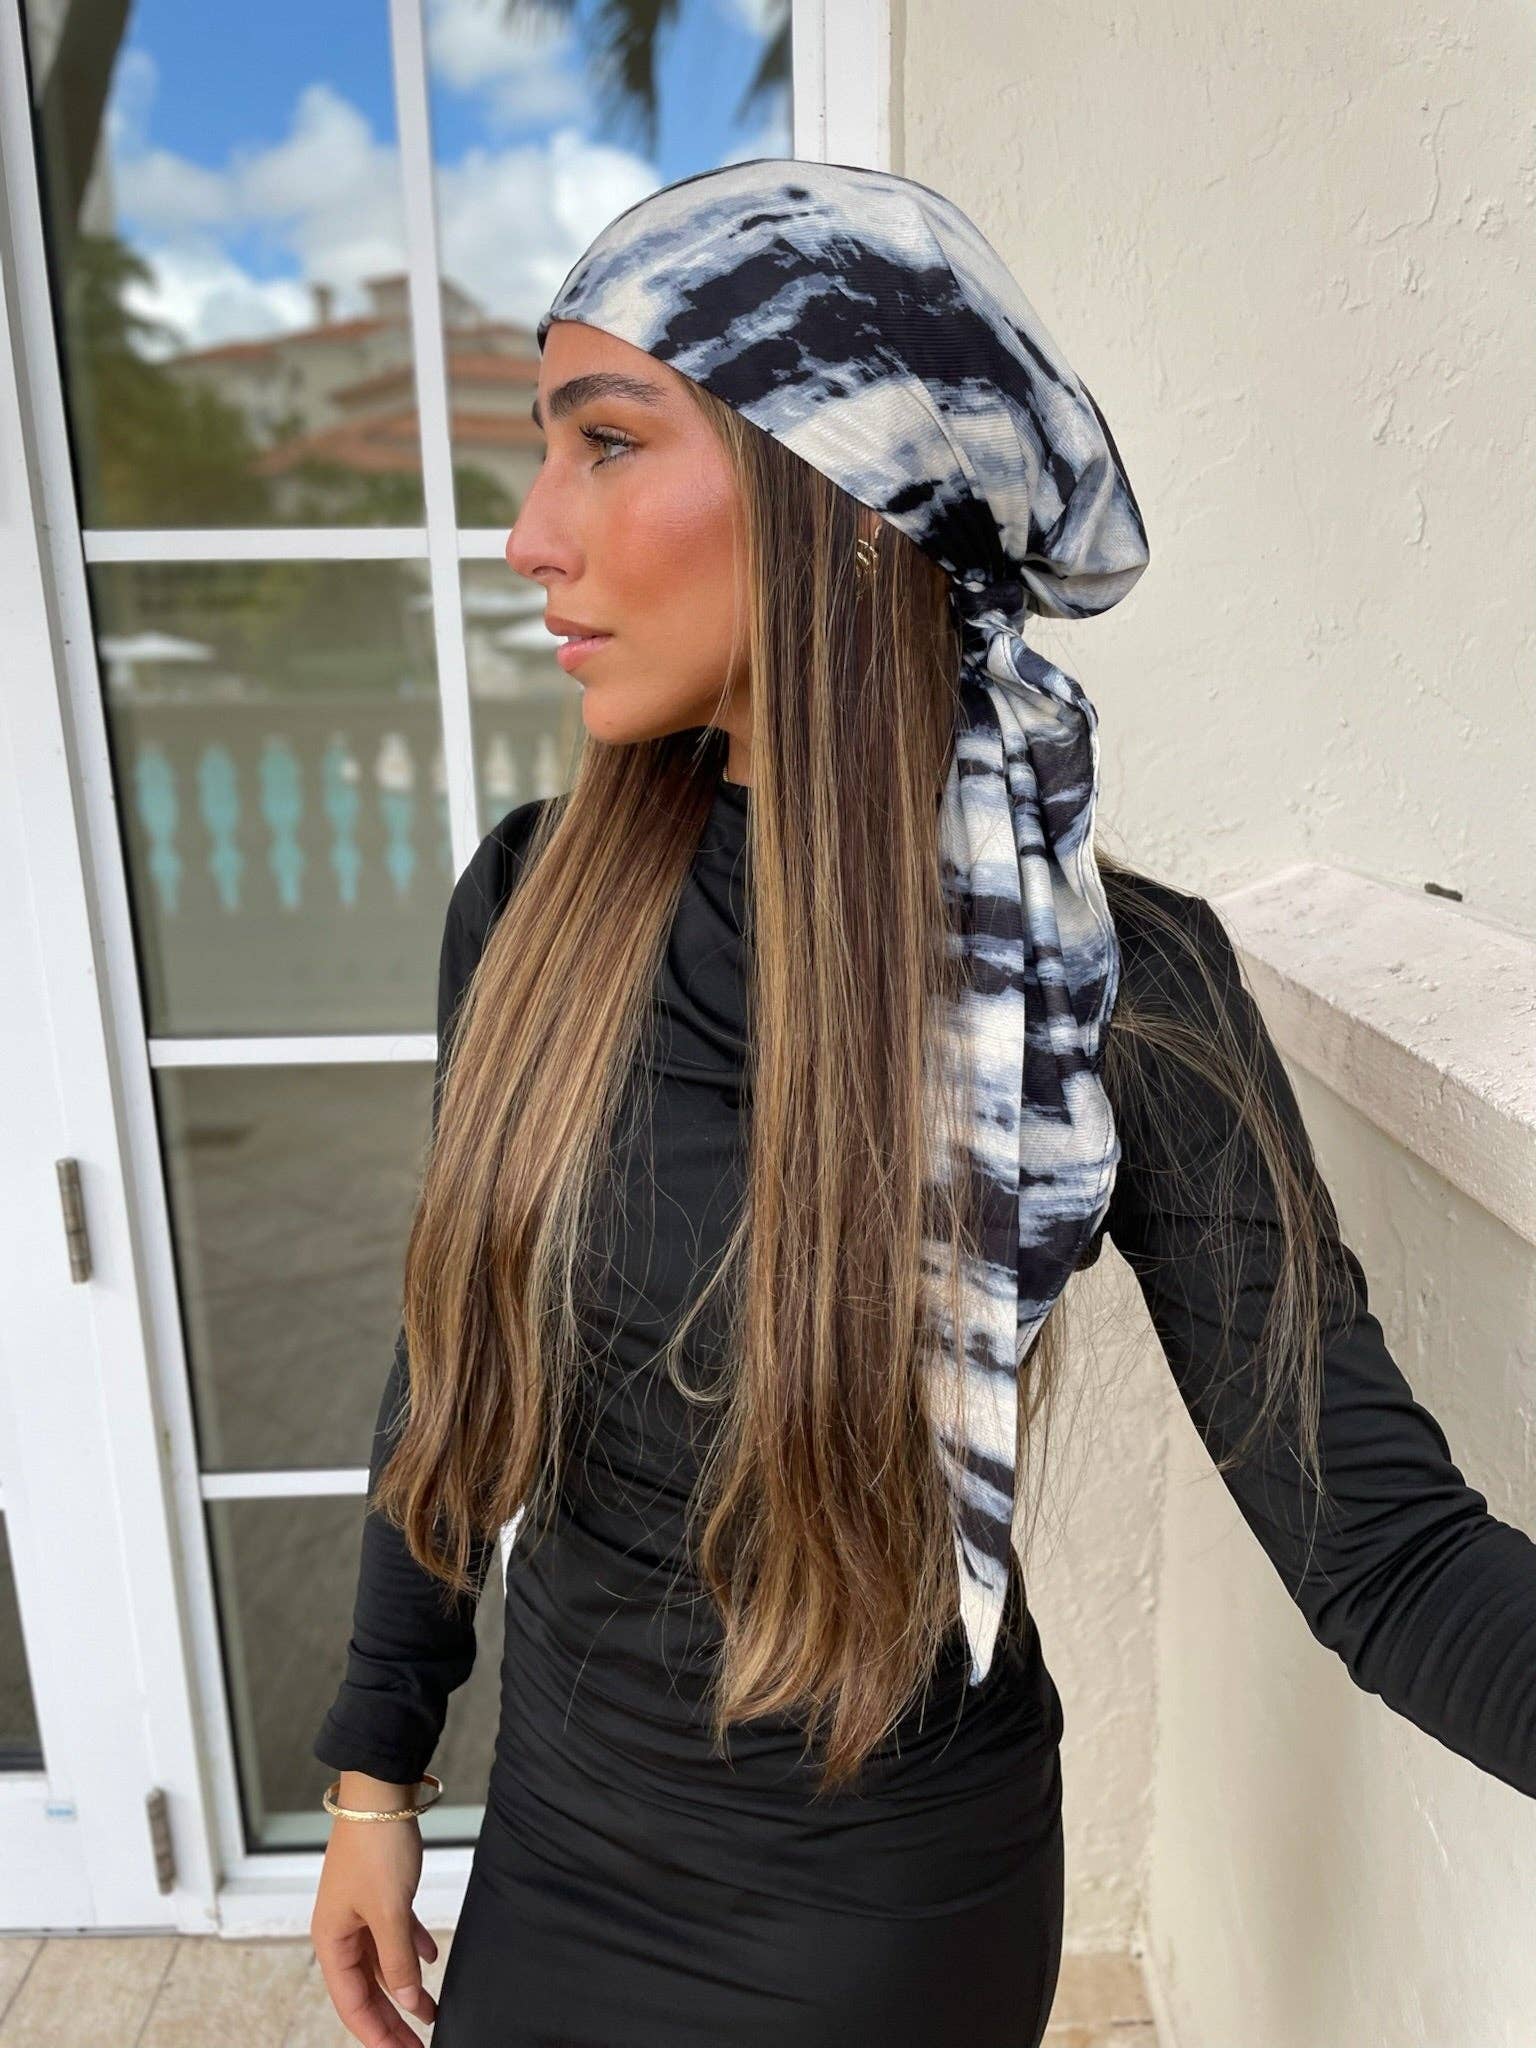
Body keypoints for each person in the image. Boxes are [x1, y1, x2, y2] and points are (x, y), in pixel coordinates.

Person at [308, 161, 1536, 2048]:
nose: (531, 534)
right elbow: (452, 1372)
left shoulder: (1114, 989)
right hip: (556, 1827)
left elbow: (1386, 1553)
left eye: (607, 443)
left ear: (846, 494)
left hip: (875, 1924)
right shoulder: (537, 902)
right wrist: (375, 1776)